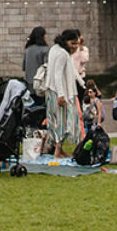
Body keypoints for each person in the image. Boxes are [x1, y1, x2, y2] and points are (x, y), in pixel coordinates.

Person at [45, 29, 80, 157]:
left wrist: (82, 83)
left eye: (77, 44)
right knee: (63, 122)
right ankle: (57, 151)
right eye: (73, 43)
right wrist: (61, 95)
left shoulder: (54, 49)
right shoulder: (63, 54)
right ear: (66, 41)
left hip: (50, 89)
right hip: (59, 92)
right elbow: (58, 75)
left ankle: (57, 149)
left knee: (54, 121)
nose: (75, 47)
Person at [22, 26, 49, 95]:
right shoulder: (45, 49)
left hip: (28, 82)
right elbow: (47, 67)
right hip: (40, 83)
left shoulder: (27, 49)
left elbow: (24, 67)